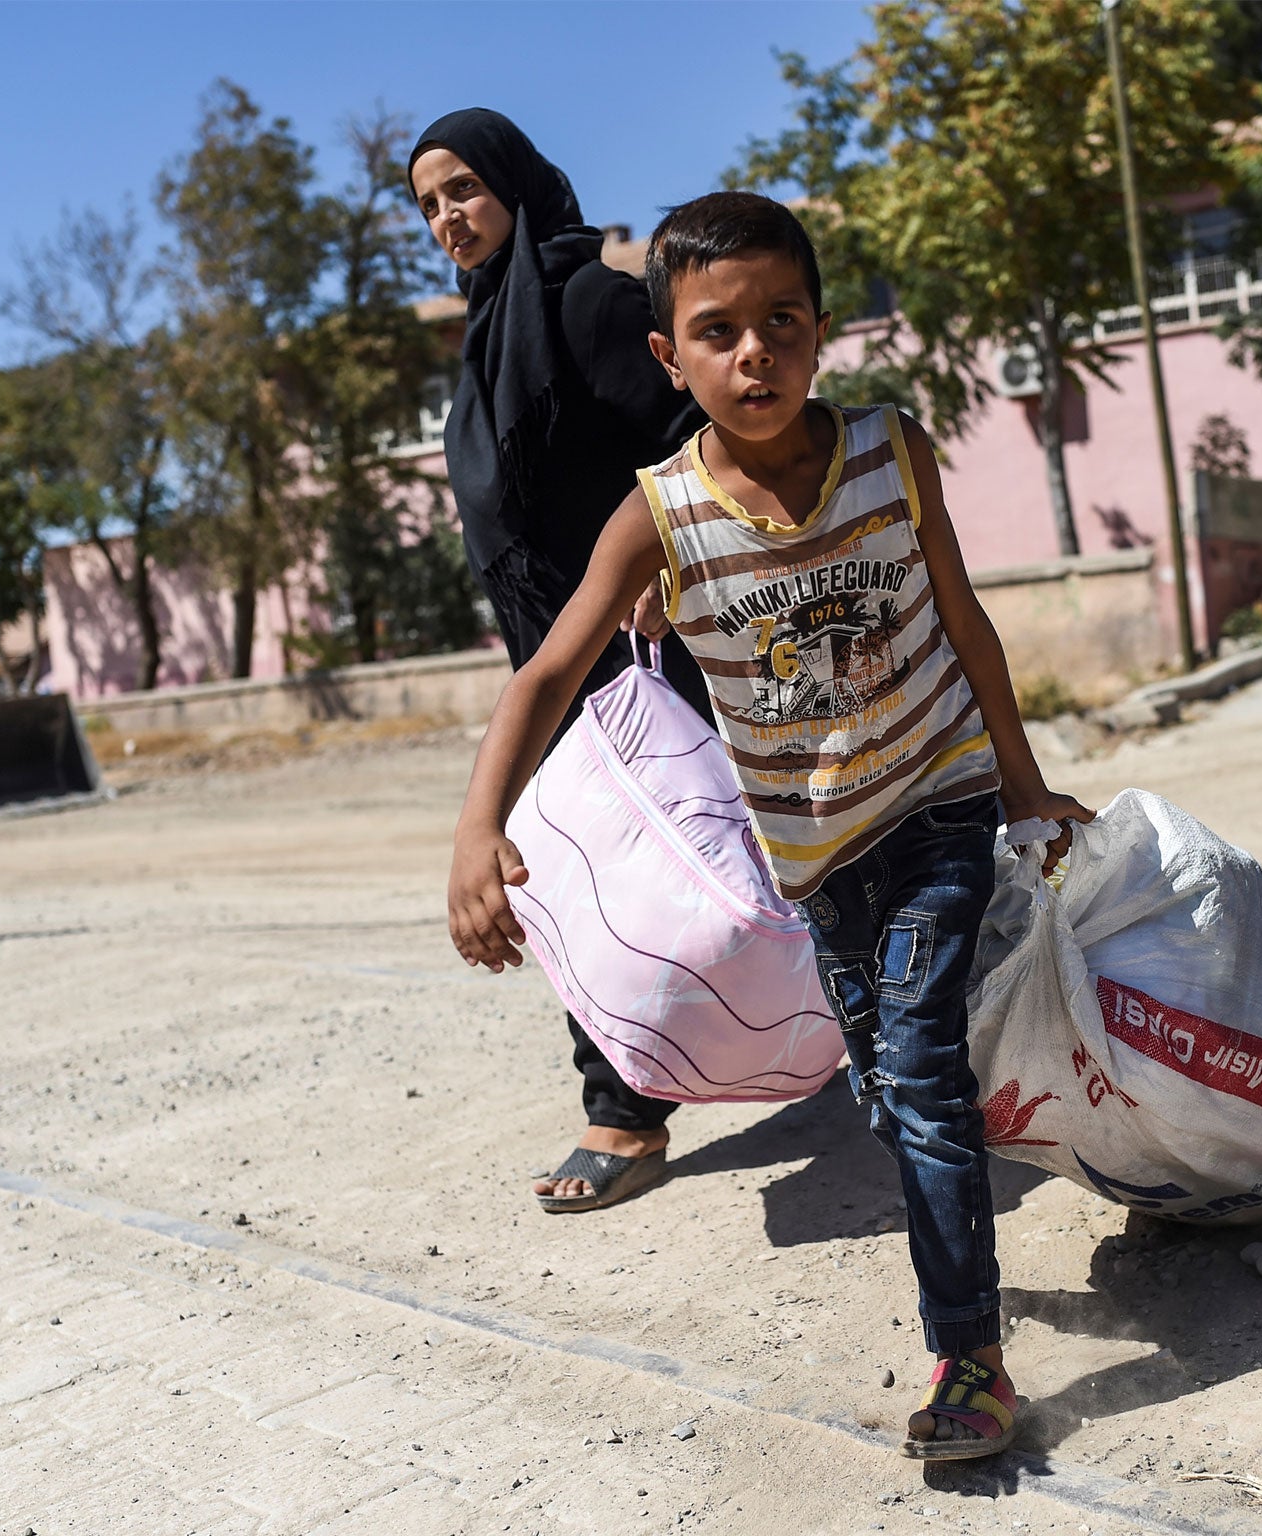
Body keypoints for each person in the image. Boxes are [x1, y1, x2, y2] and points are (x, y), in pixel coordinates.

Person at [446, 191, 1093, 1454]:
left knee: (917, 1071)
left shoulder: (888, 449)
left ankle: (969, 1364)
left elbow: (964, 621)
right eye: (719, 331)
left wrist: (1017, 782)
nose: (755, 354)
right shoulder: (660, 516)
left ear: (820, 328)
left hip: (937, 801)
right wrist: (479, 830)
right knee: (893, 1086)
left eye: (780, 322)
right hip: (811, 857)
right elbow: (545, 674)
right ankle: (1014, 1183)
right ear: (667, 357)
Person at [408, 110, 712, 1215]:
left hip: (661, 643)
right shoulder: (489, 336)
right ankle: (626, 1106)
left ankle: (883, 1042)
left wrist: (664, 565)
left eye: (461, 189)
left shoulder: (591, 302)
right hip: (552, 654)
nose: (447, 215)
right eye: (428, 203)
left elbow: (695, 431)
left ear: (515, 183)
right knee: (574, 868)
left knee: (744, 851)